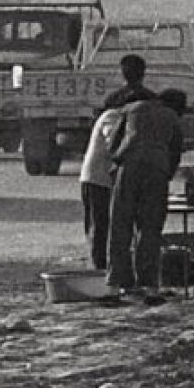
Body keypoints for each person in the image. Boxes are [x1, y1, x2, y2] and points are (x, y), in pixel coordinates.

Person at [105, 85, 185, 303]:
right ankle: (149, 287)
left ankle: (116, 285)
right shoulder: (173, 118)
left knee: (120, 225)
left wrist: (117, 161)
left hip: (128, 168)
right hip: (157, 170)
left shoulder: (131, 109)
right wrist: (165, 174)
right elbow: (175, 152)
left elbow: (112, 143)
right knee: (150, 228)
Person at [79, 103, 124, 272]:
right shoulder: (112, 117)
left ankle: (103, 265)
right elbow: (112, 142)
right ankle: (98, 268)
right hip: (97, 178)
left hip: (106, 178)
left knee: (104, 225)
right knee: (99, 225)